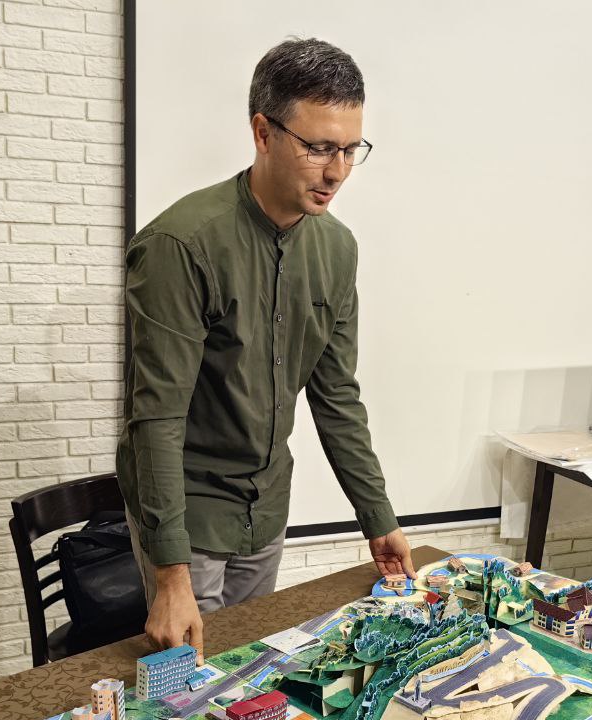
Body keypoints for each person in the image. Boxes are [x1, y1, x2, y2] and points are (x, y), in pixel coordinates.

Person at [116, 38, 414, 658]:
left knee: (249, 669)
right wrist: (169, 574)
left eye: (350, 149)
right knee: (187, 685)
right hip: (189, 512)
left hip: (267, 505)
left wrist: (378, 518)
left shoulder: (337, 249)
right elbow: (157, 418)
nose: (336, 172)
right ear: (262, 132)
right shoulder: (181, 246)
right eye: (319, 147)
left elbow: (337, 397)